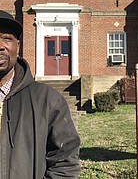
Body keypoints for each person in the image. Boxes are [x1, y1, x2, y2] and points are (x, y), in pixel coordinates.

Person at [0, 10, 81, 178]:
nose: (0, 45)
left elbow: (65, 162)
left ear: (18, 46)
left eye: (7, 38)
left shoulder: (49, 101)